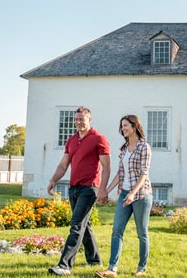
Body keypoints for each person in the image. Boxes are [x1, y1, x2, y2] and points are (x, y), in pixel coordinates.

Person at [47, 106, 111, 276]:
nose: (78, 122)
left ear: (89, 119)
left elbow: (106, 166)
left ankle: (65, 265)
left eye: (82, 119)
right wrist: (54, 180)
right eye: (76, 119)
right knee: (85, 225)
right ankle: (95, 259)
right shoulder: (72, 140)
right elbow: (63, 164)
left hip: (90, 188)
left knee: (76, 225)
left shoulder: (99, 139)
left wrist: (103, 189)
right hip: (73, 188)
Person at [96, 115, 153, 278]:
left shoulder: (144, 147)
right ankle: (112, 269)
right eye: (122, 126)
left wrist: (133, 194)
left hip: (141, 195)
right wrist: (105, 190)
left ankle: (141, 268)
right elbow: (120, 173)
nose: (123, 129)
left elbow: (144, 173)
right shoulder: (124, 148)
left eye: (126, 125)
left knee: (142, 232)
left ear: (135, 126)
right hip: (124, 194)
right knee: (117, 230)